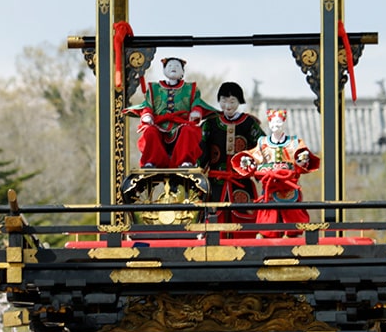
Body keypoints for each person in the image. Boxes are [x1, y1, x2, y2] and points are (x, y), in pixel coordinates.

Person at [232, 109, 320, 237]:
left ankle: (291, 233)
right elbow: (255, 157)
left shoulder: (293, 142)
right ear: (268, 123)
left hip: (288, 185)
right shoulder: (263, 143)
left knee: (291, 212)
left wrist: (302, 160)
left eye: (278, 122)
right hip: (270, 185)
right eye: (272, 122)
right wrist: (248, 161)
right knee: (268, 212)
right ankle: (266, 233)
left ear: (284, 122)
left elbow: (301, 156)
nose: (275, 125)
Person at [125, 57, 215, 168]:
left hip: (181, 124)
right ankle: (152, 161)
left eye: (177, 66)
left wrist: (196, 112)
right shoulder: (154, 89)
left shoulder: (191, 89)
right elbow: (147, 105)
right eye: (170, 66)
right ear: (164, 70)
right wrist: (147, 115)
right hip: (159, 125)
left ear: (182, 71)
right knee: (150, 132)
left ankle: (185, 161)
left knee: (189, 131)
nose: (173, 68)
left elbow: (197, 103)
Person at [200, 82, 265, 225]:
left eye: (232, 101)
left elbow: (262, 147)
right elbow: (200, 150)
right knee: (214, 221)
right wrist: (196, 172)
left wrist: (263, 173)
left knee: (243, 222)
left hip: (241, 182)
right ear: (219, 100)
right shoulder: (210, 123)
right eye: (224, 100)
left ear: (239, 102)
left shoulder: (248, 123)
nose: (228, 106)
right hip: (215, 183)